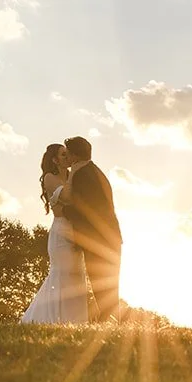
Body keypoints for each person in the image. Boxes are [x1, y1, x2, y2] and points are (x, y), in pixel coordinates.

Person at [19, 143, 89, 324]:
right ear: (54, 159)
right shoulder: (49, 178)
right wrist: (75, 171)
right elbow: (67, 197)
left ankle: (76, 323)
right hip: (61, 233)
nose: (67, 158)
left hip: (77, 232)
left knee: (77, 278)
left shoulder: (71, 176)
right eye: (63, 155)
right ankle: (45, 320)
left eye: (68, 154)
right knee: (62, 275)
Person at [58, 135, 122, 321]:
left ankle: (106, 326)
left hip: (98, 238)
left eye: (68, 154)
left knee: (101, 283)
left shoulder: (83, 175)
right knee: (107, 284)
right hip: (108, 236)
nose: (67, 158)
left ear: (75, 155)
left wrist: (64, 211)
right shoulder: (93, 171)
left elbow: (83, 207)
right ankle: (110, 324)